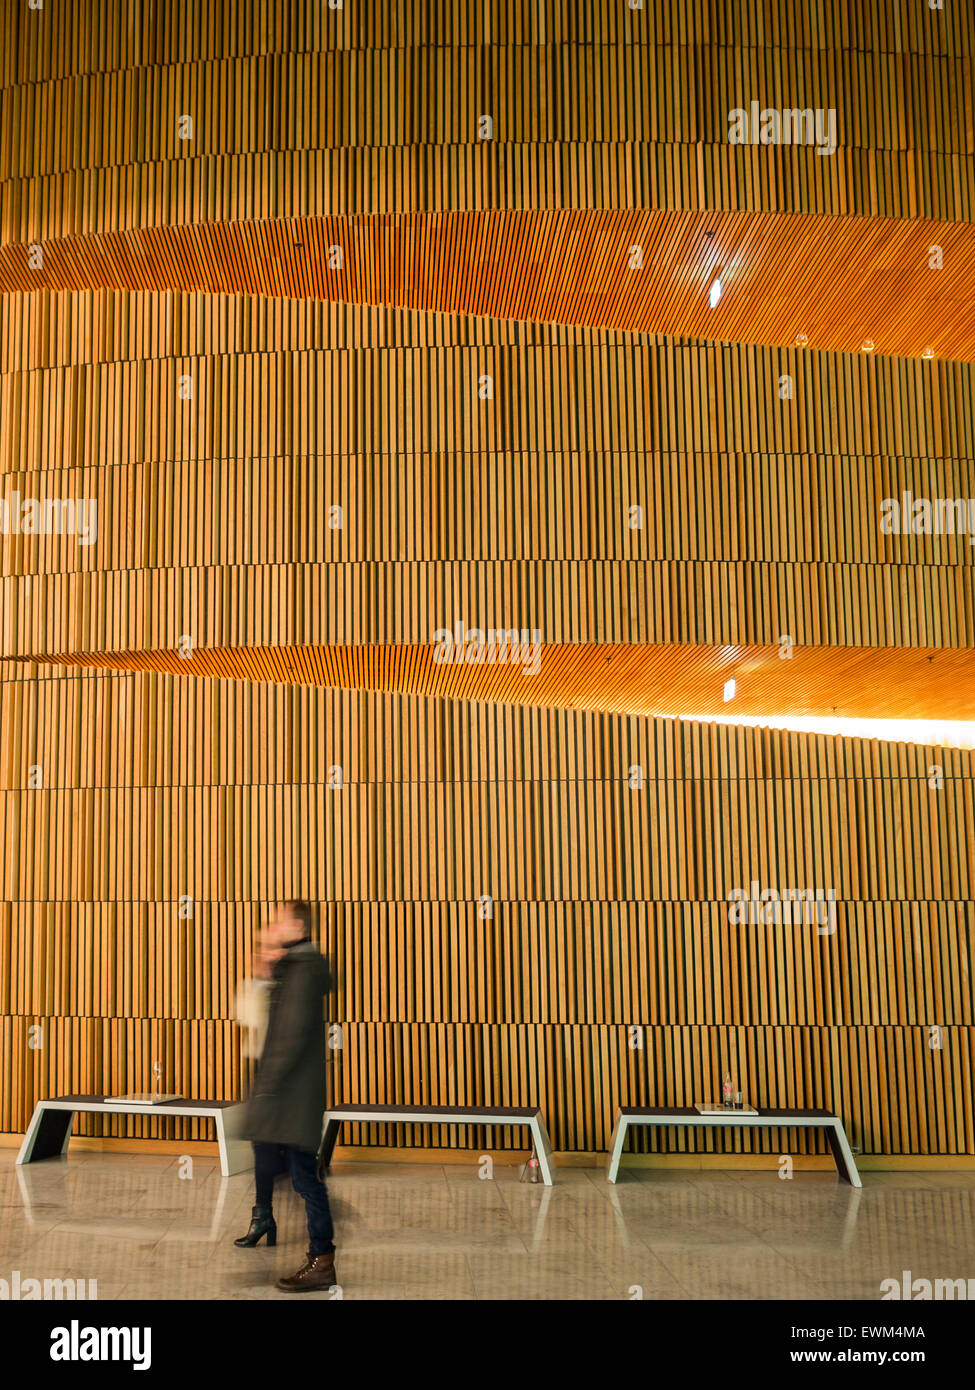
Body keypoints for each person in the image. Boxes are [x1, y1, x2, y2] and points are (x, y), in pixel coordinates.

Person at [235, 901, 337, 1292]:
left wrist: (268, 1086)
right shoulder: (296, 967)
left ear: (296, 925)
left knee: (305, 1181)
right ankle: (312, 1251)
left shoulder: (304, 970)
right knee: (298, 1175)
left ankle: (322, 1259)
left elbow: (289, 1035)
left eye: (278, 920)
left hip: (289, 1096)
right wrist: (266, 968)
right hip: (289, 1095)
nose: (272, 926)